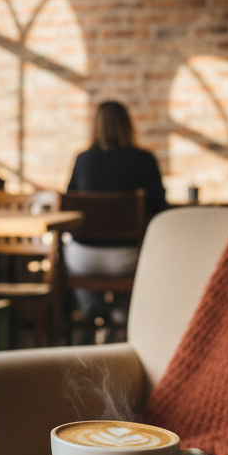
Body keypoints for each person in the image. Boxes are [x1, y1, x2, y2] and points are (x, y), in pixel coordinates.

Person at [64, 100, 168, 328]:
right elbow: (160, 207)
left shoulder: (83, 160)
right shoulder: (144, 160)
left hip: (84, 258)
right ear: (127, 125)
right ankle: (123, 313)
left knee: (69, 251)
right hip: (125, 257)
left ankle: (91, 308)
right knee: (148, 254)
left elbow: (68, 205)